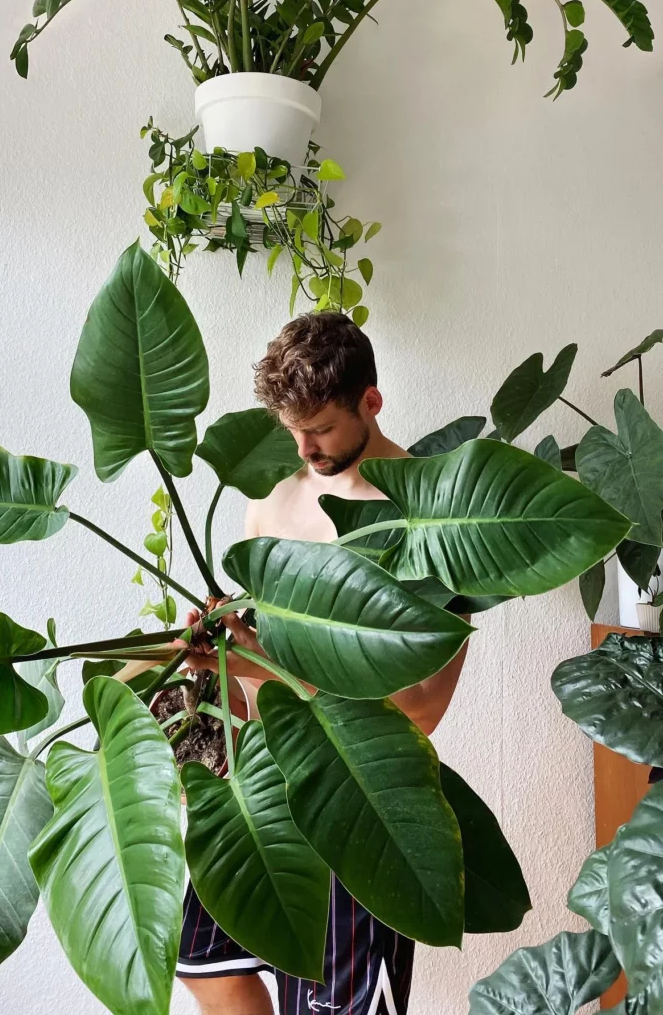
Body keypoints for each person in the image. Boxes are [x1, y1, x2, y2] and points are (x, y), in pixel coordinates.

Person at [175, 311, 471, 1015]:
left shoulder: (435, 520)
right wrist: (217, 669)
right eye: (292, 430)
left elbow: (422, 708)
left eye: (322, 428)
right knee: (204, 964)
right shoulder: (272, 506)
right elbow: (251, 681)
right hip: (267, 792)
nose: (305, 447)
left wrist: (261, 668)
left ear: (371, 401)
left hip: (358, 795)